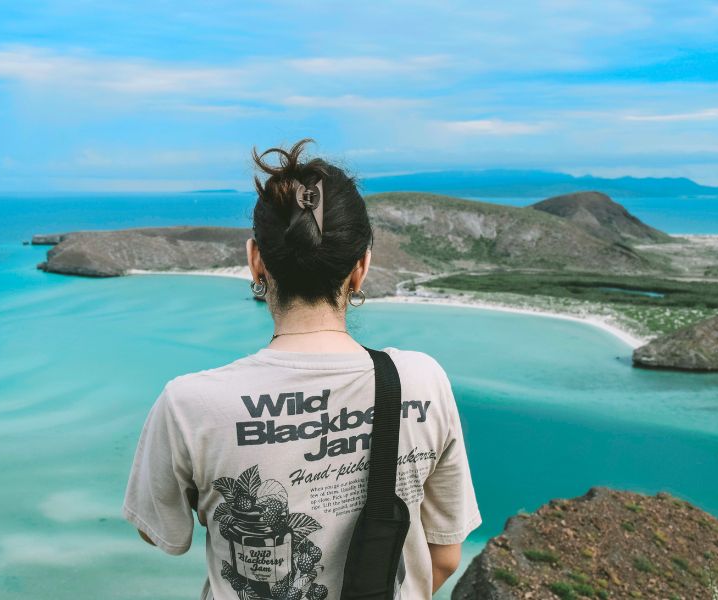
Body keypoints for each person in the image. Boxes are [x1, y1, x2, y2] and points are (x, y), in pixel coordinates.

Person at [121, 139, 482, 600]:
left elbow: (160, 533)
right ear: (361, 268)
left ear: (255, 261)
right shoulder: (422, 380)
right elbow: (446, 555)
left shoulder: (190, 404)